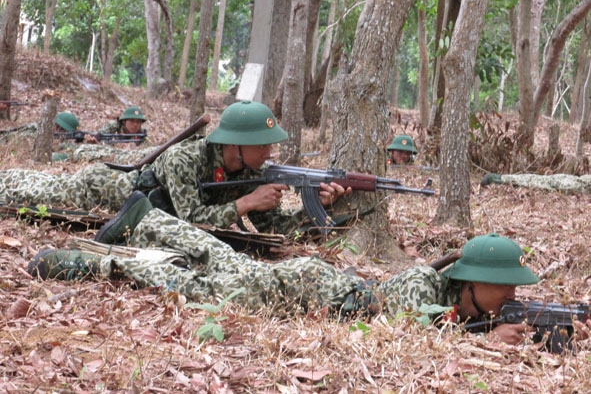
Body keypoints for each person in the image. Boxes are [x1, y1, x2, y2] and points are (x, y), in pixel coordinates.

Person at [29, 199, 572, 347]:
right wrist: (485, 340)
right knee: (198, 286)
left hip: (311, 284)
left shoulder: (459, 298)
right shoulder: (418, 286)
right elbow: (417, 332)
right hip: (301, 287)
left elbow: (454, 324)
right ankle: (84, 264)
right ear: (470, 280)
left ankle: (148, 220)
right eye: (505, 288)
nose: (509, 297)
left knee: (223, 261)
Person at [0, 101, 347, 236]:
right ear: (234, 145)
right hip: (105, 189)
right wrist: (245, 204)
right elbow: (187, 220)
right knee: (26, 186)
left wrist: (318, 208)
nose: (270, 152)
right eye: (263, 144)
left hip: (139, 205)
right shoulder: (186, 160)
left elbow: (278, 230)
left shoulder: (249, 173)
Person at [83, 106, 148, 145]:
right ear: (124, 121)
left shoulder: (141, 134)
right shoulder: (114, 126)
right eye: (132, 121)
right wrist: (94, 141)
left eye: (138, 122)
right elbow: (99, 135)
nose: (135, 125)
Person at [481, 172, 591, 193]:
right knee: (541, 181)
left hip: (580, 183)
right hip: (579, 182)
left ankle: (498, 179)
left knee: (540, 181)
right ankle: (499, 178)